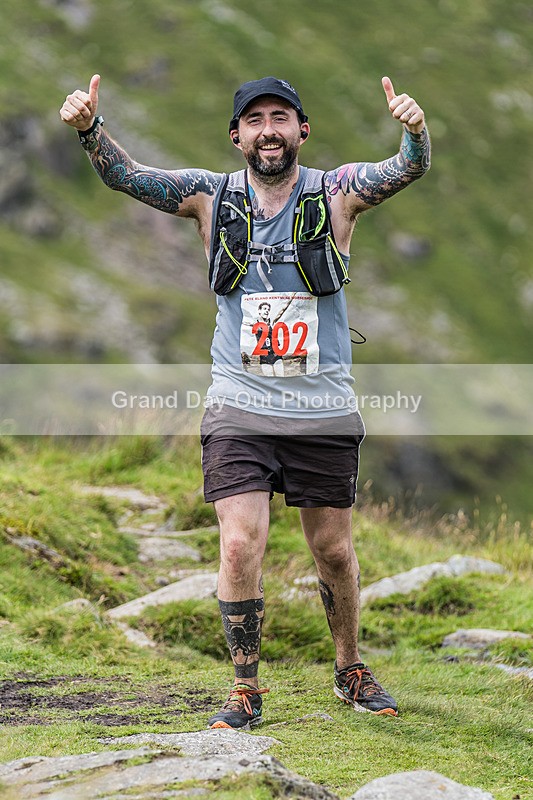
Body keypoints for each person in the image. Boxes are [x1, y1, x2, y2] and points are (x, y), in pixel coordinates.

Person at [60, 73, 430, 727]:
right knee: (237, 546)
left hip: (321, 407)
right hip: (238, 404)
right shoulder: (211, 197)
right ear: (236, 136)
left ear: (301, 131)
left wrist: (413, 130)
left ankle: (348, 668)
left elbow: (406, 168)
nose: (268, 130)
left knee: (333, 552)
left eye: (280, 118)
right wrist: (91, 129)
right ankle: (244, 691)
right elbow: (127, 177)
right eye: (254, 119)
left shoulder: (335, 193)